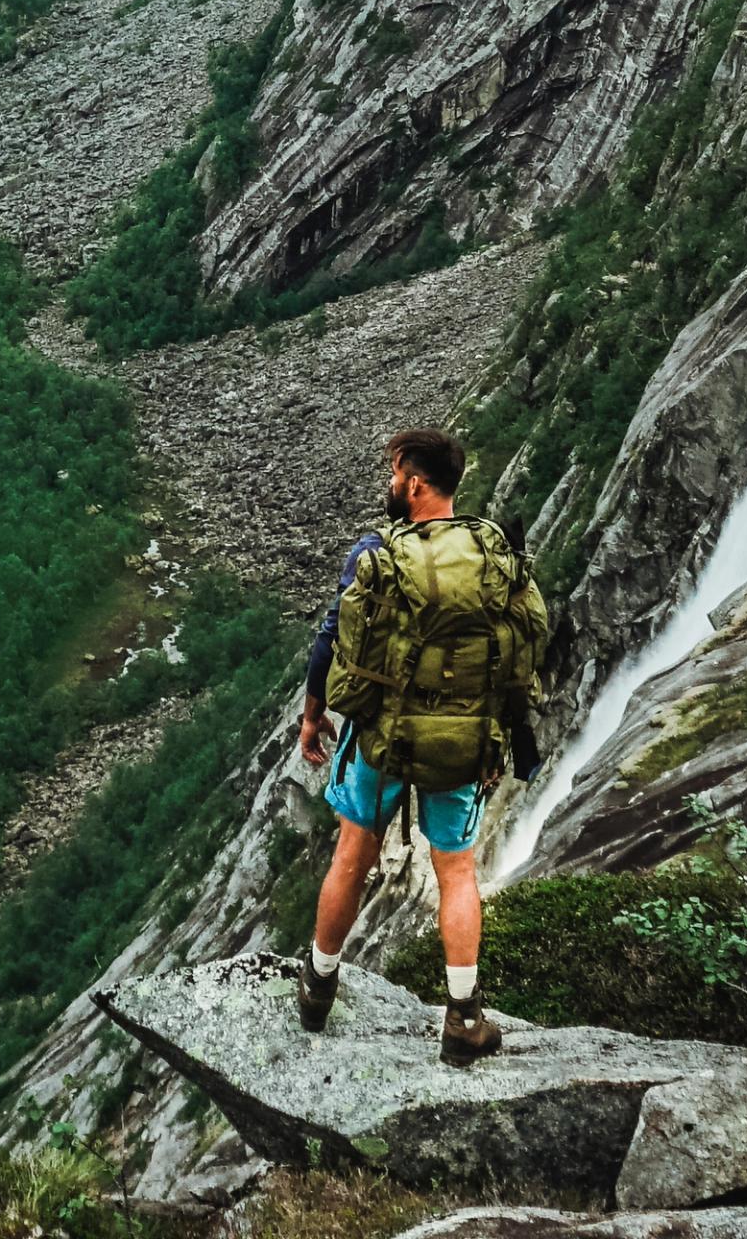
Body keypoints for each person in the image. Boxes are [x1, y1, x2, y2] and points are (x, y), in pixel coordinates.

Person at [292, 424, 549, 1066]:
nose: (389, 484)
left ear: (412, 479)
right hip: (465, 742)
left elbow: (331, 640)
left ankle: (318, 987)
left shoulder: (378, 553)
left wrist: (312, 715)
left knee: (353, 854)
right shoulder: (492, 553)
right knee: (457, 871)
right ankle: (464, 1017)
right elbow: (525, 641)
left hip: (383, 737)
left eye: (392, 473)